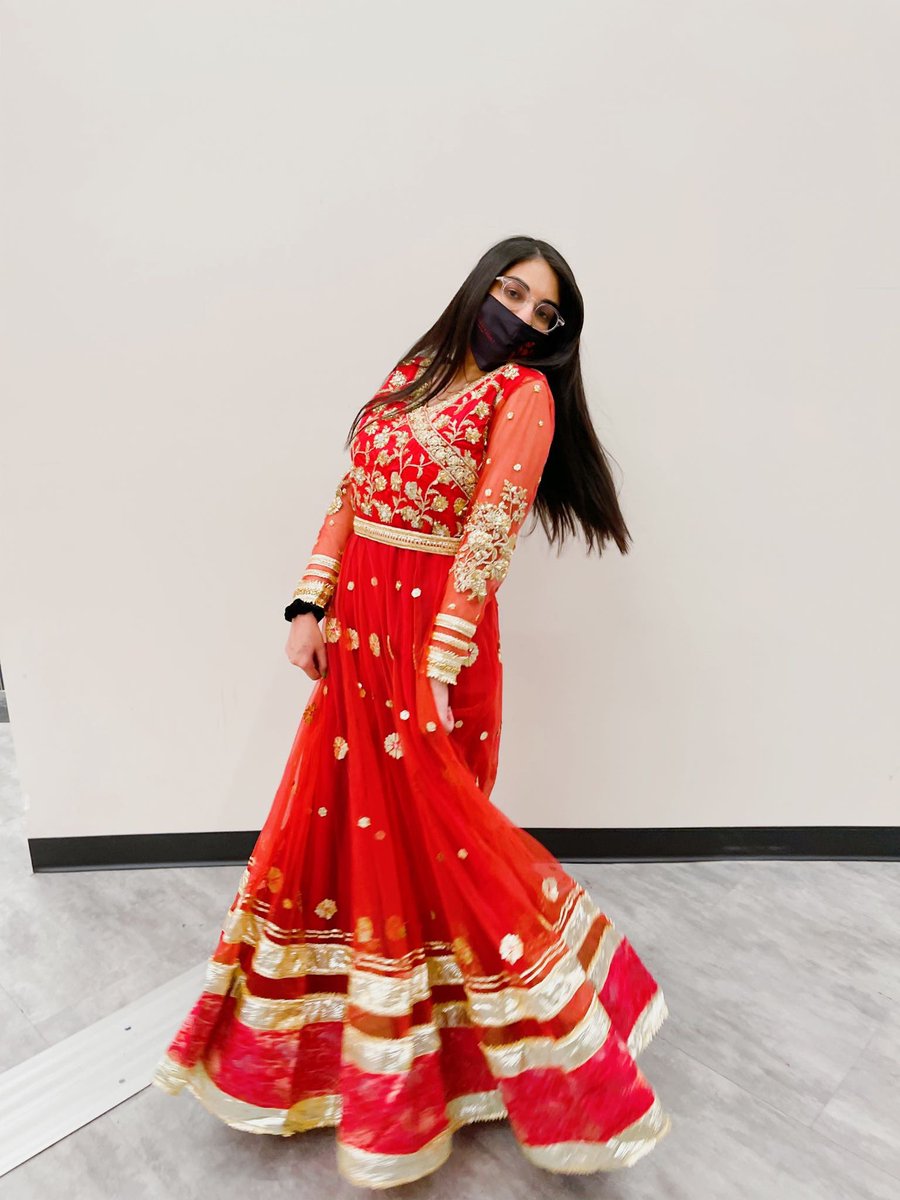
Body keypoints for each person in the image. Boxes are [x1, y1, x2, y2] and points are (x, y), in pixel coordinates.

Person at [153, 235, 671, 1188]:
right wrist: (310, 602)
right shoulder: (417, 371)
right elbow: (350, 494)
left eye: (543, 311)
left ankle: (555, 1046)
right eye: (511, 290)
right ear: (480, 285)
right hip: (358, 630)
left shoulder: (525, 396)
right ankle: (381, 1055)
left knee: (445, 844)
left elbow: (491, 531)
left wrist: (439, 664)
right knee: (354, 839)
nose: (521, 313)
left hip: (438, 644)